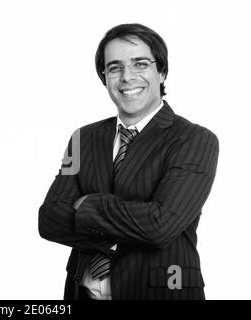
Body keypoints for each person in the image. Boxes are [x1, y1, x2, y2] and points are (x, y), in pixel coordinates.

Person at [38, 23, 219, 300]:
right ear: (104, 77)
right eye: (114, 67)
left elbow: (160, 226)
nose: (127, 76)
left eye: (140, 64)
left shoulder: (194, 139)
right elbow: (49, 219)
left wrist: (85, 205)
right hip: (81, 292)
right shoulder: (81, 139)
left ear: (162, 72)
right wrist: (131, 225)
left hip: (160, 291)